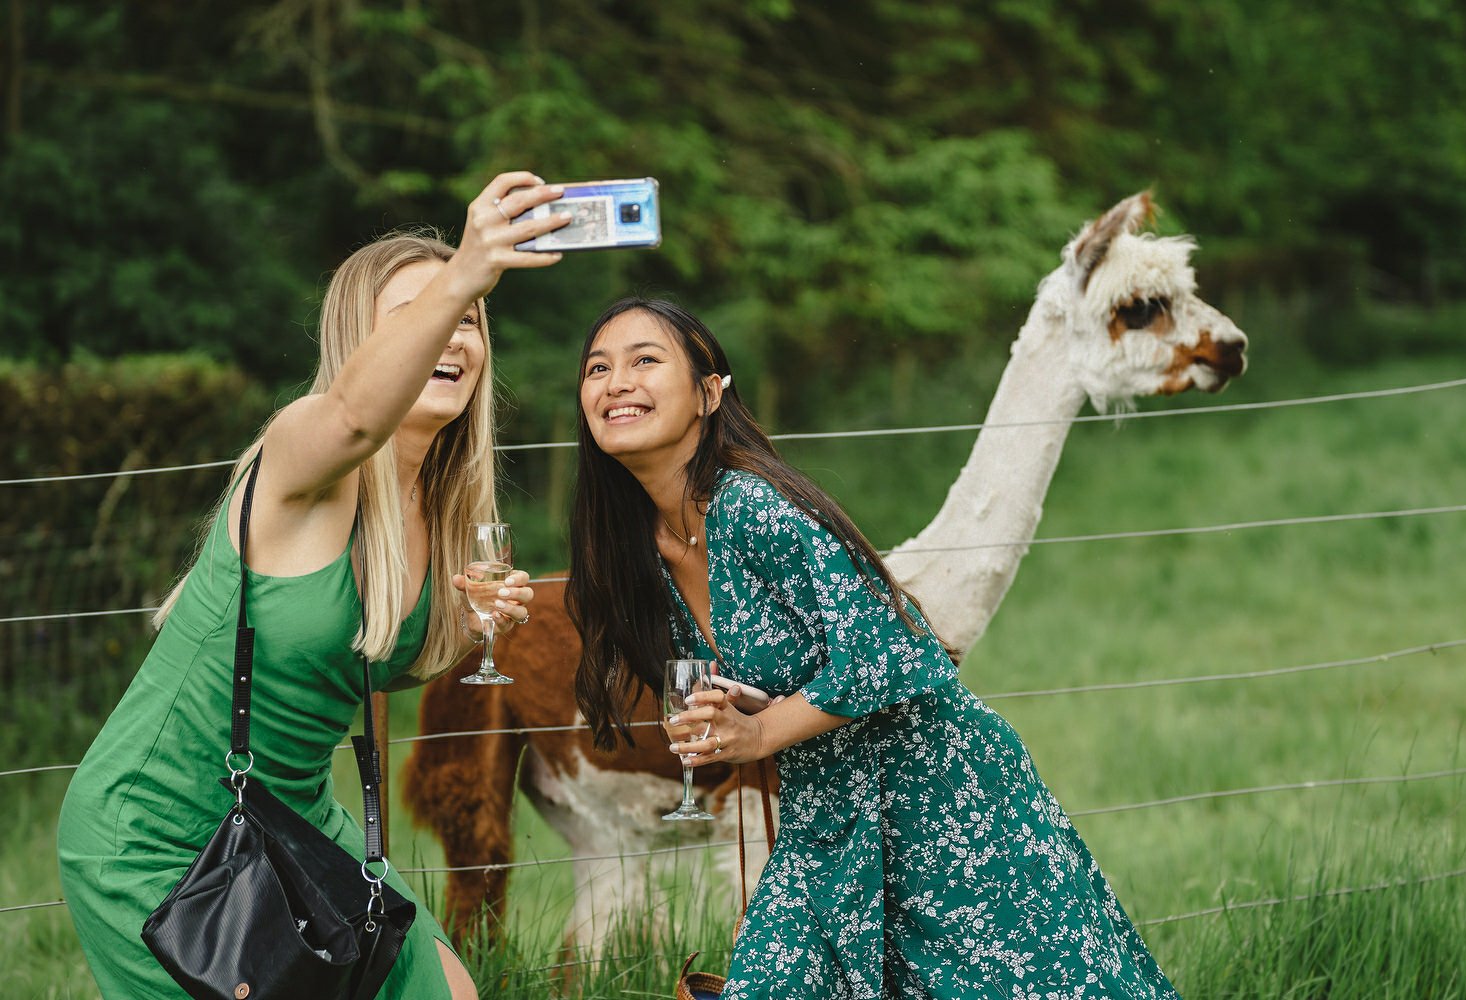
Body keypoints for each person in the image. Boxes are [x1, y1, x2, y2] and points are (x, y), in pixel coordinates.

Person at [567, 298, 1179, 999]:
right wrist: (742, 709)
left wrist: (761, 730)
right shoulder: (637, 547)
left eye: (646, 360)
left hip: (944, 800)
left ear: (710, 393)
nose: (616, 381)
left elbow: (892, 650)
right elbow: (780, 670)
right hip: (826, 815)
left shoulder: (752, 507)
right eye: (598, 368)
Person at [56, 171, 567, 998]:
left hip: (291, 820)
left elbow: (359, 668)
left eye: (468, 318)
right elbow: (356, 419)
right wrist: (466, 271)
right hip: (157, 833)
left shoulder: (439, 512)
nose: (453, 334)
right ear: (363, 347)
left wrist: (460, 628)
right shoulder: (302, 453)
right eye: (417, 314)